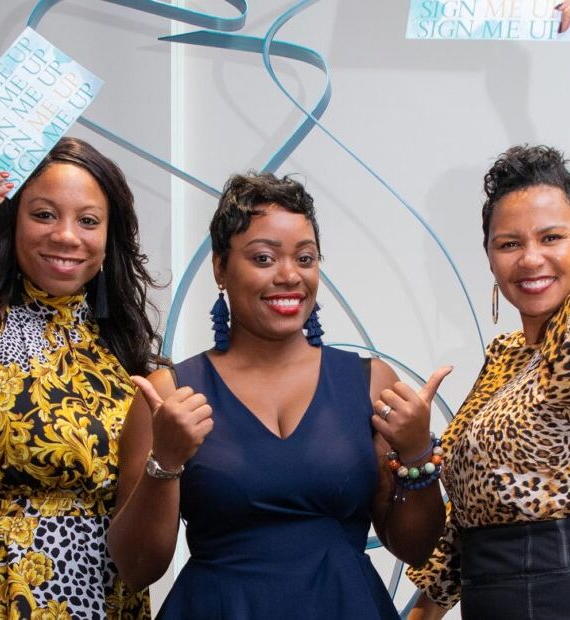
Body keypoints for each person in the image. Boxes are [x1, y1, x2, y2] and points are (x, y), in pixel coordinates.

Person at [109, 171, 449, 619]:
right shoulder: (169, 395)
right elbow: (136, 568)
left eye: (305, 258)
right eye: (264, 258)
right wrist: (165, 462)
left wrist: (416, 452)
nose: (289, 275)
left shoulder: (370, 381)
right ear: (220, 268)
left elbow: (416, 547)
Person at [0, 137, 159, 618]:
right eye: (44, 214)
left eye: (88, 221)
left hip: (103, 601)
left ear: (110, 238)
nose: (67, 236)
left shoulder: (122, 352)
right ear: (10, 222)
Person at [407, 145, 570, 619]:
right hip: (491, 597)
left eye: (552, 237)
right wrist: (423, 612)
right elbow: (472, 513)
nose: (531, 258)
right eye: (509, 243)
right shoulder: (506, 357)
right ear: (490, 258)